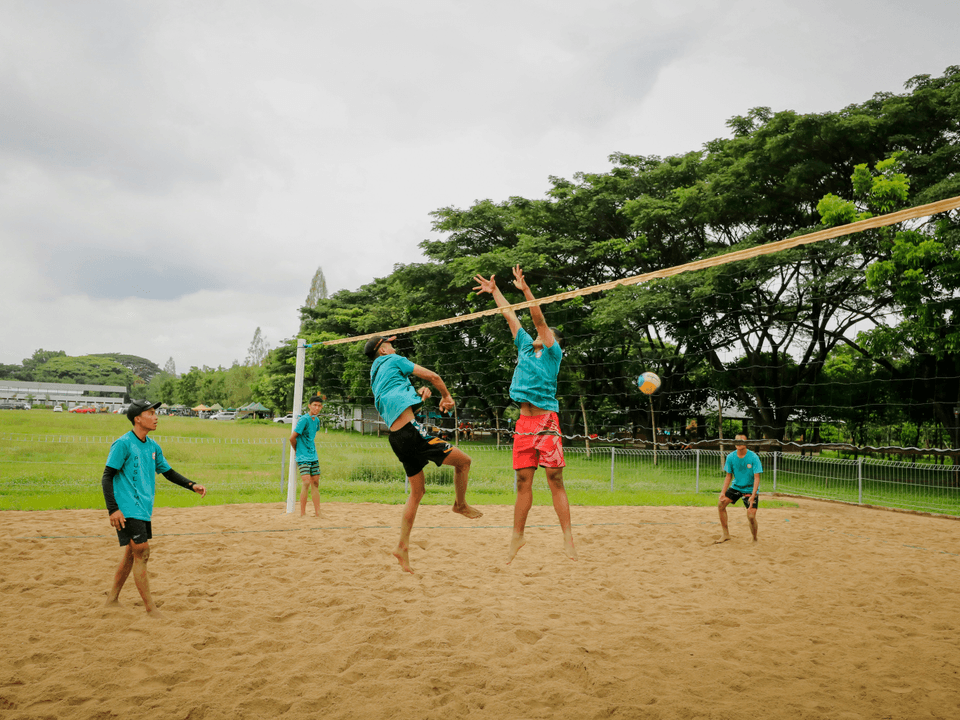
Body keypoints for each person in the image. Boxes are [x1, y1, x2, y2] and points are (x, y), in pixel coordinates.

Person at [473, 265, 577, 564]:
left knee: (555, 479)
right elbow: (510, 315)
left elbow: (538, 318)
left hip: (546, 421)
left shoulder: (552, 353)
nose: (538, 334)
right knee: (522, 482)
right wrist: (496, 292)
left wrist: (527, 291)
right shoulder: (523, 346)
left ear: (552, 341)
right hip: (524, 423)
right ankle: (517, 536)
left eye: (545, 334)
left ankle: (568, 538)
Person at [365, 335, 483, 573]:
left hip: (397, 438)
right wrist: (447, 397)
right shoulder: (394, 359)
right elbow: (433, 376)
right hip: (412, 433)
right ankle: (460, 505)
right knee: (464, 462)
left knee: (417, 493)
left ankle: (402, 547)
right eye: (389, 343)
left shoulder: (376, 377)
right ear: (383, 350)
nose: (394, 346)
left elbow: (400, 408)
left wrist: (420, 400)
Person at [102, 399, 207, 616]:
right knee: (142, 551)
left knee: (131, 554)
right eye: (150, 413)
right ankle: (151, 609)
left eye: (155, 412)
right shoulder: (123, 444)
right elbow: (107, 477)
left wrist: (191, 485)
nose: (156, 416)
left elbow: (168, 472)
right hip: (127, 509)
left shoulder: (152, 446)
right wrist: (113, 509)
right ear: (137, 418)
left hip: (143, 509)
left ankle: (112, 599)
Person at [716, 433, 763, 543]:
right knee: (720, 504)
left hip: (750, 489)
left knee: (751, 516)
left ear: (746, 443)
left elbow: (757, 478)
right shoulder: (731, 457)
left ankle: (755, 538)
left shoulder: (753, 457)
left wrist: (753, 495)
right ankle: (726, 534)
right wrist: (723, 493)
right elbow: (728, 476)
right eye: (736, 440)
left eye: (741, 440)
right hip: (736, 487)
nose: (738, 442)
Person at [290, 395, 324, 517]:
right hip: (303, 457)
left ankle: (318, 512)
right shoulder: (304, 419)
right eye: (314, 405)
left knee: (315, 483)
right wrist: (298, 451)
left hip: (313, 456)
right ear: (309, 406)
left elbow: (311, 436)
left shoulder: (317, 421)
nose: (317, 407)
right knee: (306, 482)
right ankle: (302, 513)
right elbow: (292, 438)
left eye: (319, 405)